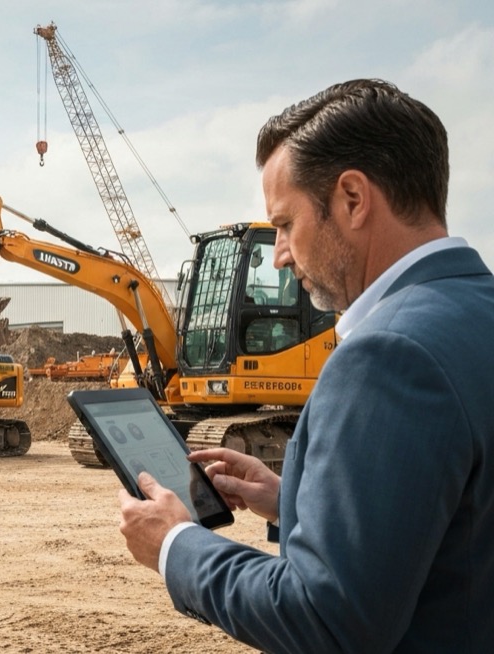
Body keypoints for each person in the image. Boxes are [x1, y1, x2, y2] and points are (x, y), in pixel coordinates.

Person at [117, 78, 494, 653]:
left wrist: (175, 546)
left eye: (286, 224)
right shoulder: (475, 312)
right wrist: (293, 497)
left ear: (353, 199)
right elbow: (460, 524)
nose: (280, 254)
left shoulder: (386, 356)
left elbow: (326, 619)